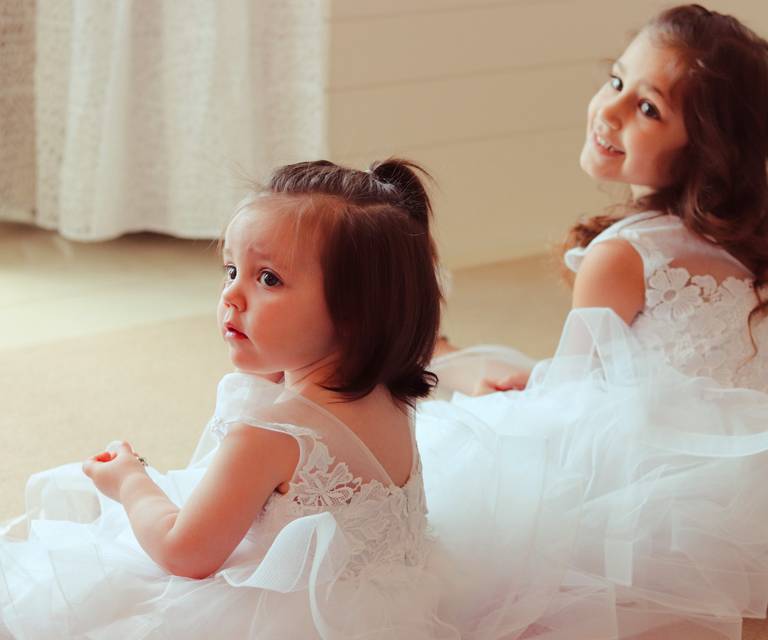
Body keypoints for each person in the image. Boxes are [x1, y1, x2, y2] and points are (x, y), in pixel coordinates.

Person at [422, 4, 768, 639]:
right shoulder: (755, 229)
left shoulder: (621, 256)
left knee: (481, 427)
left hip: (695, 495)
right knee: (509, 375)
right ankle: (447, 348)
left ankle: (440, 351)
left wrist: (527, 393)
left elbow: (567, 398)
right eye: (617, 81)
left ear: (706, 149)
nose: (611, 111)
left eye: (648, 108)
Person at [0, 159, 460, 639]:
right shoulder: (392, 393)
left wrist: (131, 481)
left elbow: (184, 552)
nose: (231, 297)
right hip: (395, 607)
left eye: (268, 279)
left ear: (356, 313)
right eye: (232, 270)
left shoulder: (271, 435)